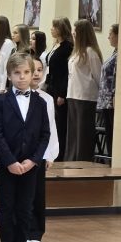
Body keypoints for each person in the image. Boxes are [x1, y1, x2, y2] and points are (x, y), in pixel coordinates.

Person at [0, 53, 50, 242]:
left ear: (33, 74)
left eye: (26, 72)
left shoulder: (40, 103)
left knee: (25, 207)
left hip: (30, 165)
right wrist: (9, 161)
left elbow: (45, 135)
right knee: (7, 206)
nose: (22, 77)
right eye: (17, 73)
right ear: (9, 75)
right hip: (8, 164)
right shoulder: (1, 102)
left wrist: (33, 161)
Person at [27, 57, 58, 242]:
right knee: (22, 194)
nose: (37, 73)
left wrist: (50, 153)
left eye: (40, 69)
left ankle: (36, 231)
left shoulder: (46, 98)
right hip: (20, 152)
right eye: (33, 70)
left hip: (40, 152)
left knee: (37, 193)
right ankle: (20, 230)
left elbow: (51, 128)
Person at [66, 19, 103, 161]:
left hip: (86, 97)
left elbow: (98, 76)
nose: (73, 34)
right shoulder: (77, 52)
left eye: (75, 32)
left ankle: (82, 160)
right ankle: (71, 159)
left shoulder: (91, 52)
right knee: (73, 132)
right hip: (73, 95)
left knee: (83, 133)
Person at [45, 17, 73, 161]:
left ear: (61, 29)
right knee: (52, 121)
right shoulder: (56, 45)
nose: (51, 29)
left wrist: (62, 93)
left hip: (60, 90)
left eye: (54, 27)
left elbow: (66, 73)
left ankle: (60, 155)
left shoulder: (67, 47)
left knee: (60, 123)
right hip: (51, 87)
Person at [97, 23, 119, 153]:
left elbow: (117, 77)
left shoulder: (120, 55)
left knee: (112, 134)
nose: (108, 37)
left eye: (111, 34)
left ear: (118, 36)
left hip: (112, 101)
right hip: (105, 101)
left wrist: (115, 96)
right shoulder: (114, 52)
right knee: (109, 133)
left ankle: (113, 159)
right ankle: (111, 157)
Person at [0, 16, 13, 92]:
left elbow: (6, 65)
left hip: (2, 85)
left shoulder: (8, 43)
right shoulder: (0, 42)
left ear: (2, 26)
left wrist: (2, 86)